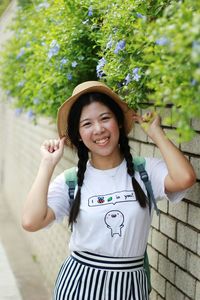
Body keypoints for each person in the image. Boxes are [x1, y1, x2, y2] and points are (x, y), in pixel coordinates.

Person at [22, 81, 196, 300]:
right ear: (78, 134)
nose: (98, 129)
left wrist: (156, 134)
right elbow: (31, 221)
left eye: (105, 118)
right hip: (78, 285)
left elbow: (185, 178)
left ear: (119, 123)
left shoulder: (145, 171)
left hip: (130, 286)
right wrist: (47, 164)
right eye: (87, 124)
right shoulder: (71, 181)